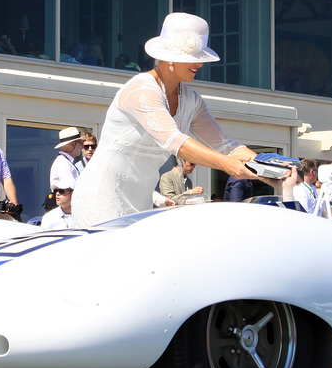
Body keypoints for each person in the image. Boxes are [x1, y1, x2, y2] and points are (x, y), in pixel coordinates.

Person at [71, 13, 257, 228]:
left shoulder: (192, 100)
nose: (199, 64)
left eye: (200, 57)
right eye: (192, 58)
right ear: (168, 57)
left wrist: (266, 167)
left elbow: (226, 145)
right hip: (101, 196)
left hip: (140, 200)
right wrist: (228, 166)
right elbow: (175, 141)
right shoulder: (141, 89)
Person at [49, 126, 86, 191]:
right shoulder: (63, 163)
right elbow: (70, 188)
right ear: (72, 144)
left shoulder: (65, 161)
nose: (82, 146)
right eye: (80, 142)